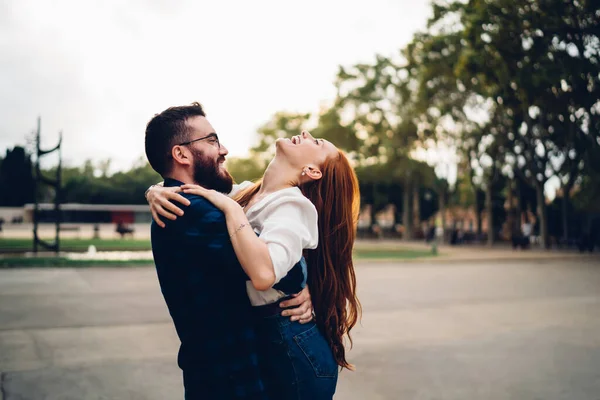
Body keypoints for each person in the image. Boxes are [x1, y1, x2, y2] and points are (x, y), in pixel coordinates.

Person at [148, 124, 361, 399]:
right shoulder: (248, 193)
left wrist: (230, 208)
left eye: (317, 142)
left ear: (313, 171)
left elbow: (264, 274)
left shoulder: (292, 206)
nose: (306, 133)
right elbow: (187, 186)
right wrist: (155, 190)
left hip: (291, 343)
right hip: (268, 338)